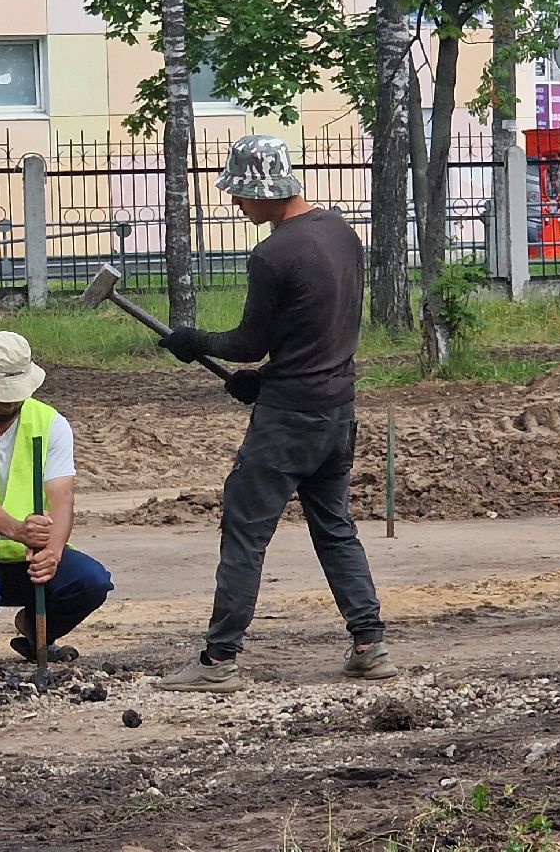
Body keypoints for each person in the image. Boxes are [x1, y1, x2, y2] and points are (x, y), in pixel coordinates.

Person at [151, 134, 394, 693]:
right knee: (335, 528)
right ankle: (369, 645)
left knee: (245, 532)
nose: (237, 204)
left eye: (240, 194)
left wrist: (194, 341)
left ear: (264, 190)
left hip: (287, 422)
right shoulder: (341, 233)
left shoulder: (273, 254)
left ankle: (218, 661)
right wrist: (264, 379)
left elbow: (249, 341)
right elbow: (317, 330)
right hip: (337, 410)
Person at [0, 332, 114, 662]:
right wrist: (18, 531)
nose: (6, 402)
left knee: (91, 581)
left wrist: (53, 553)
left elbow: (62, 498)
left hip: (31, 558)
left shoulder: (51, 423)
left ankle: (35, 631)